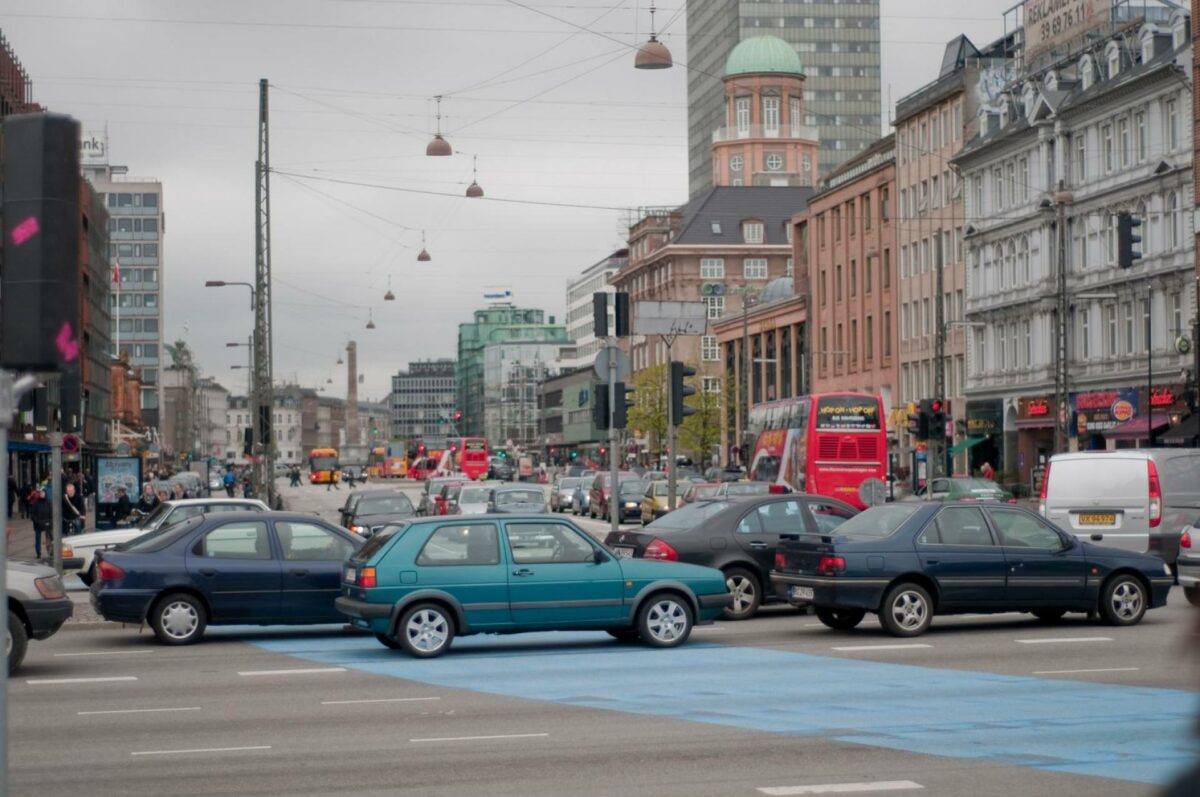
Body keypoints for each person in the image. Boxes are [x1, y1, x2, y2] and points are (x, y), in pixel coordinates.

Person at [28, 487, 52, 560]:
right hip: (38, 524)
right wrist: (36, 521)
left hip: (47, 524)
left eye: (43, 493)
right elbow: (32, 514)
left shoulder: (49, 503)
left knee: (49, 539)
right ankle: (38, 553)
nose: (42, 494)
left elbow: (52, 514)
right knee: (37, 539)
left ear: (45, 494)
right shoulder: (36, 503)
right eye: (40, 493)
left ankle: (50, 553)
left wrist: (49, 522)